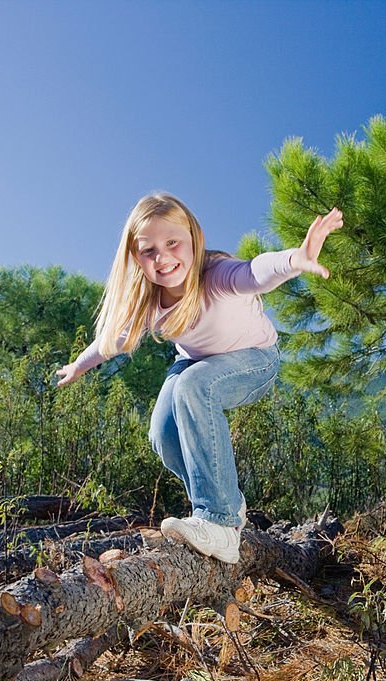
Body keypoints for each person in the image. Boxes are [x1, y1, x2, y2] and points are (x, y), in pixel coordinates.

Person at [55, 192, 342, 563]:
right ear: (135, 257)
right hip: (194, 364)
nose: (163, 258)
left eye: (172, 243)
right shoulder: (148, 300)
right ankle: (227, 503)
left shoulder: (216, 274)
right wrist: (79, 366)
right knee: (162, 434)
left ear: (193, 238)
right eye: (149, 251)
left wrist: (294, 260)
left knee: (195, 386)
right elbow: (111, 342)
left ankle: (219, 523)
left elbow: (254, 273)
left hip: (254, 360)